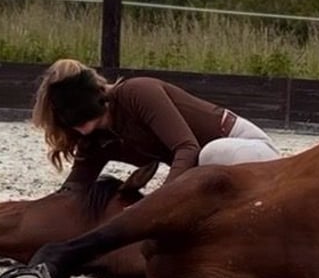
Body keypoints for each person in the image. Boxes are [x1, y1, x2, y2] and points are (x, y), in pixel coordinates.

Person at [31, 58, 281, 189]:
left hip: (244, 148)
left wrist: (159, 204)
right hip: (202, 172)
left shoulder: (137, 92)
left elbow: (186, 148)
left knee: (210, 155)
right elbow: (75, 189)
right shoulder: (95, 138)